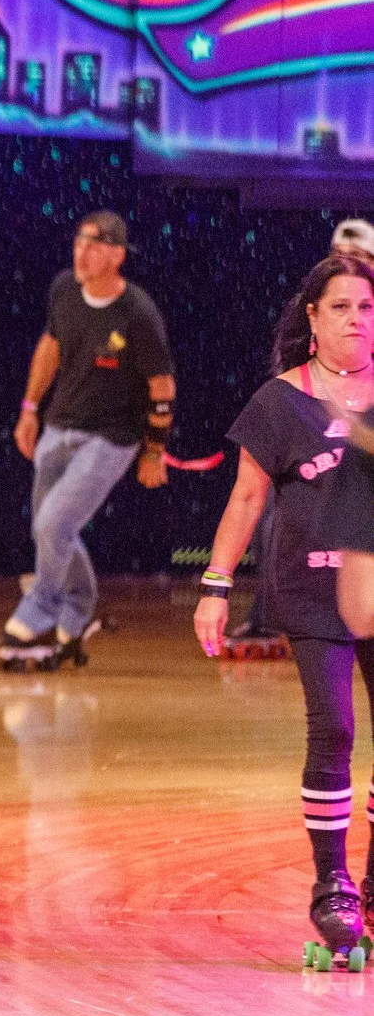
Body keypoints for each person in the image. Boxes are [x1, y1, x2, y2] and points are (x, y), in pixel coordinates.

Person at [200, 257, 374, 965]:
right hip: (312, 590)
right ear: (312, 316)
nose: (355, 319)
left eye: (366, 306)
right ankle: (332, 884)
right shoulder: (279, 403)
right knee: (333, 725)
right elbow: (246, 498)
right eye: (340, 307)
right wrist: (215, 585)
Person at [0, 211, 175, 669]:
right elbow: (51, 346)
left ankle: (42, 606)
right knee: (49, 527)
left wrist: (153, 451)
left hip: (111, 437)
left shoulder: (137, 312)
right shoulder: (64, 290)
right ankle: (77, 609)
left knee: (54, 524)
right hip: (59, 426)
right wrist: (29, 409)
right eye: (78, 242)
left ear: (117, 255)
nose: (81, 252)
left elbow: (162, 386)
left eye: (93, 244)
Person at [227, 220, 374, 661]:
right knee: (277, 511)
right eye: (340, 252)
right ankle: (268, 612)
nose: (349, 262)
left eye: (361, 256)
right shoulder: (324, 317)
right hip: (325, 469)